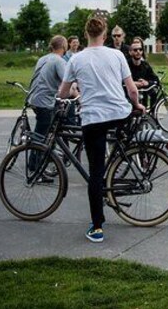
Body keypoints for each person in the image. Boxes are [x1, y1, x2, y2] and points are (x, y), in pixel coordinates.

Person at [57, 16, 145, 243]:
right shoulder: (116, 55)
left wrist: (64, 94)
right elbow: (131, 88)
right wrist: (137, 105)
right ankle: (116, 171)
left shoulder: (76, 59)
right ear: (105, 36)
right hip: (119, 113)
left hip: (93, 118)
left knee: (95, 173)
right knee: (112, 153)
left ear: (86, 34)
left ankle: (97, 227)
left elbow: (64, 92)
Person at [27, 35, 68, 169]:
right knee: (41, 136)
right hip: (44, 101)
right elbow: (67, 81)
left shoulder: (43, 58)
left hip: (34, 98)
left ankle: (46, 156)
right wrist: (78, 93)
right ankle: (35, 167)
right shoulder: (59, 61)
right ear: (63, 47)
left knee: (44, 131)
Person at [127, 37, 159, 107]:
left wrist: (146, 83)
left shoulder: (145, 65)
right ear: (130, 52)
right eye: (135, 50)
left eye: (140, 49)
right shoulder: (125, 65)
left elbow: (156, 80)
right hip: (128, 100)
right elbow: (118, 81)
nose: (138, 51)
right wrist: (131, 83)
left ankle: (152, 113)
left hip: (143, 99)